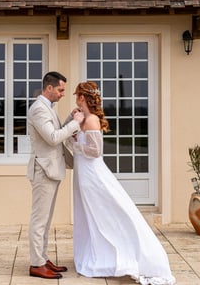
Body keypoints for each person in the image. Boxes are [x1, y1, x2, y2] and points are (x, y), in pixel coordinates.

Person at [65, 81, 176, 285]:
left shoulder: (91, 120)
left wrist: (74, 143)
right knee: (89, 215)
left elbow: (96, 152)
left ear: (83, 97)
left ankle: (124, 255)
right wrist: (74, 124)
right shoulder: (83, 118)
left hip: (92, 175)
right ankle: (96, 253)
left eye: (76, 95)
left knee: (105, 213)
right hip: (83, 174)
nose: (75, 98)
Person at [27, 71, 84, 279]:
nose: (62, 94)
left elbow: (57, 129)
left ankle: (42, 258)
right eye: (60, 90)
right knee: (39, 219)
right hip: (44, 170)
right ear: (49, 88)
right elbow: (52, 138)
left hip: (51, 169)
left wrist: (70, 117)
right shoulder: (38, 109)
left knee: (46, 218)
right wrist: (76, 123)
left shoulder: (47, 108)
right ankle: (36, 264)